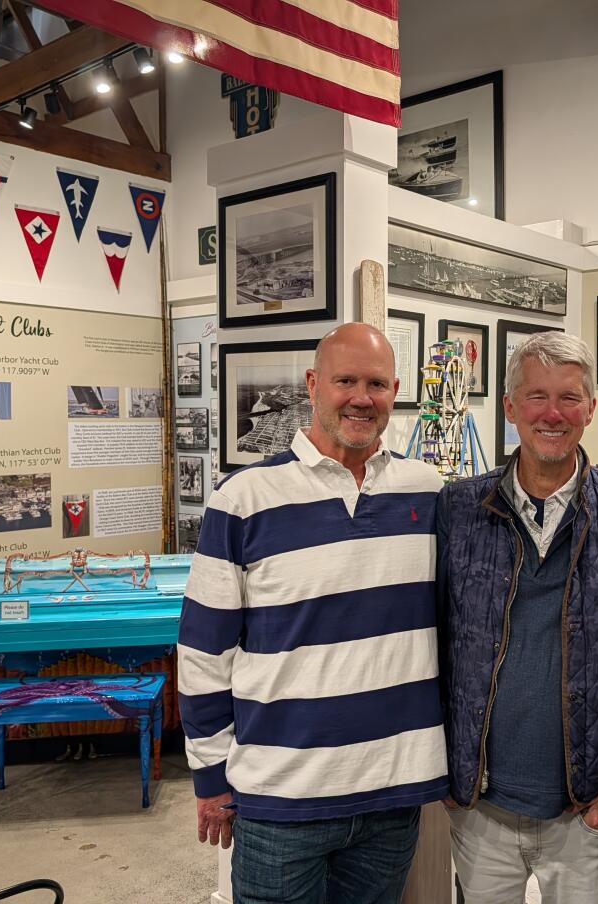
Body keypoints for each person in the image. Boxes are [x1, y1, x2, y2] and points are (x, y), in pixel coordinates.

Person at [177, 323, 448, 904]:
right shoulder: (244, 499)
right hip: (280, 802)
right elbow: (203, 652)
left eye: (376, 384)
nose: (361, 398)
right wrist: (210, 775)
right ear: (312, 384)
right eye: (345, 381)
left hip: (391, 796)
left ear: (395, 390)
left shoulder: (428, 492)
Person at [436, 331, 598, 903]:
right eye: (536, 396)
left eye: (569, 397)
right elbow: (433, 641)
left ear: (590, 408)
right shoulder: (459, 510)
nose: (553, 413)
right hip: (481, 808)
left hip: (589, 811)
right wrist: (442, 767)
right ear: (510, 407)